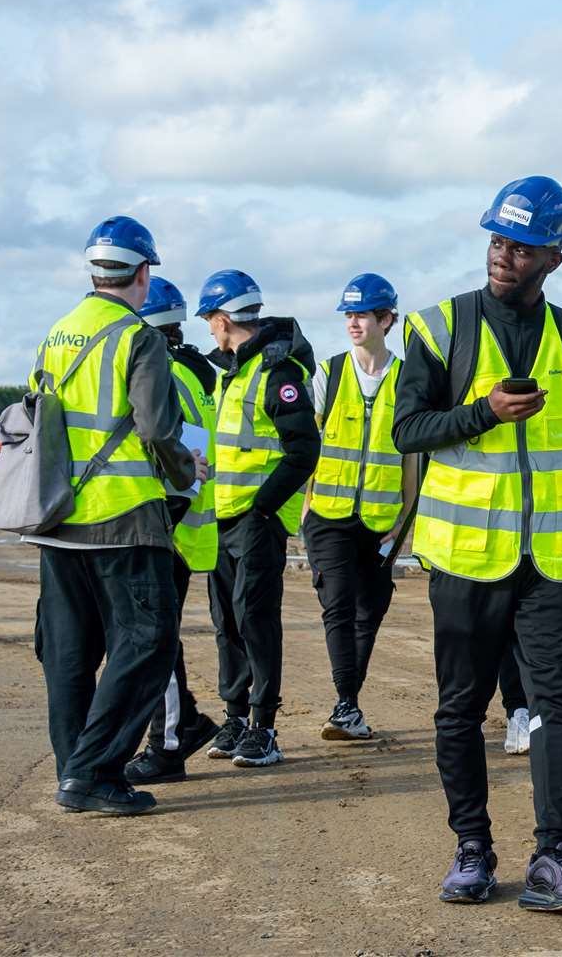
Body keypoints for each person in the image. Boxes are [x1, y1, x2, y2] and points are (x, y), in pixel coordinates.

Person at [393, 175, 562, 910]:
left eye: (521, 247)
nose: (503, 256)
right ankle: (472, 850)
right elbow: (407, 431)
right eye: (497, 240)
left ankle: (552, 857)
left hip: (551, 565)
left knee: (556, 707)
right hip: (463, 560)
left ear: (554, 257)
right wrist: (481, 413)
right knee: (460, 709)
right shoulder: (438, 329)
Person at [26, 218, 196, 814]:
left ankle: (74, 768)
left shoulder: (57, 333)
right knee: (149, 642)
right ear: (143, 273)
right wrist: (185, 473)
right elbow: (156, 428)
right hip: (123, 518)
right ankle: (93, 772)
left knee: (69, 652)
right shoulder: (138, 338)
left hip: (59, 521)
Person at [196, 269, 318, 769]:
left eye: (209, 321)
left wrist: (264, 506)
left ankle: (264, 727)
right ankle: (235, 717)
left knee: (255, 618)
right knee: (226, 620)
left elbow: (304, 449)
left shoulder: (277, 374)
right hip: (223, 518)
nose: (207, 330)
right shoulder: (233, 373)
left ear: (224, 320)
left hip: (257, 520)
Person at [303, 273, 419, 740]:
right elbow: (307, 445)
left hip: (381, 518)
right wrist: (306, 506)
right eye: (349, 314)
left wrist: (406, 519)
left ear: (387, 319)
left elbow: (413, 455)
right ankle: (345, 703)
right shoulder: (328, 373)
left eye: (363, 314)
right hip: (328, 515)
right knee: (338, 604)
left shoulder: (408, 377)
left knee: (372, 608)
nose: (353, 322)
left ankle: (348, 701)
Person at [123, 277, 222, 784]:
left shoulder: (167, 374)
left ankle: (167, 743)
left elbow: (170, 455)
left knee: (154, 643)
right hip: (189, 531)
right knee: (161, 641)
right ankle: (184, 722)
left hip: (169, 527)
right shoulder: (197, 373)